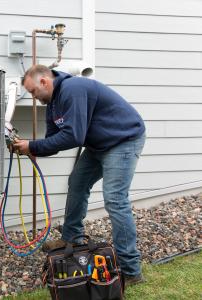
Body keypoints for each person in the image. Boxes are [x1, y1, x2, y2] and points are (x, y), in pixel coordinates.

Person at [12, 64, 146, 286]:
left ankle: (131, 269)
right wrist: (27, 147)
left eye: (34, 92)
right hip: (99, 144)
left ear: (44, 81)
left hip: (124, 139)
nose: (35, 98)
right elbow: (53, 142)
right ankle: (71, 239)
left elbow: (73, 136)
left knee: (115, 199)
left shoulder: (72, 89)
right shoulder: (53, 104)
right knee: (77, 183)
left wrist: (32, 145)